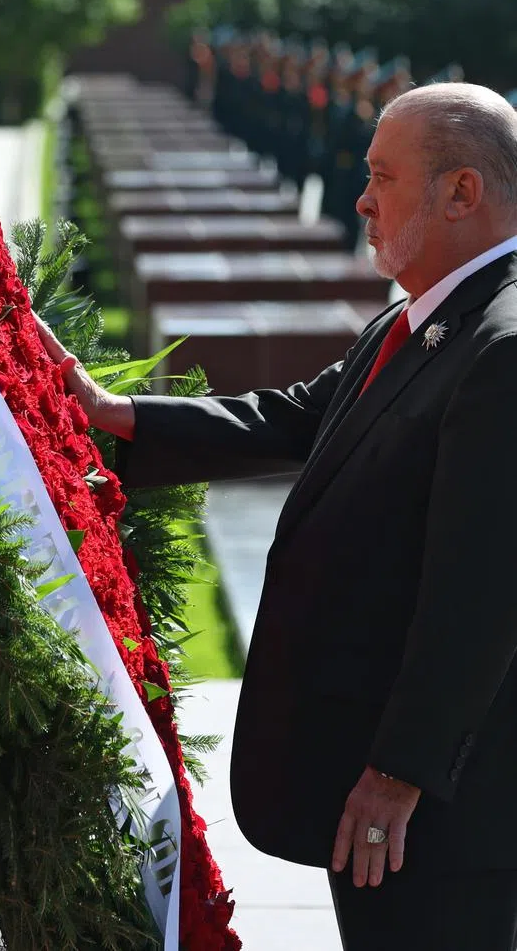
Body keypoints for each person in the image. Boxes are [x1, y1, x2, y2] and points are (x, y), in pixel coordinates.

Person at [41, 81, 517, 949]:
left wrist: (398, 776)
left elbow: (481, 599)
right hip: (378, 792)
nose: (362, 199)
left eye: (383, 177)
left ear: (462, 193)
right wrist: (122, 415)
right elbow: (299, 414)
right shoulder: (425, 318)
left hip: (444, 812)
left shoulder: (504, 347)